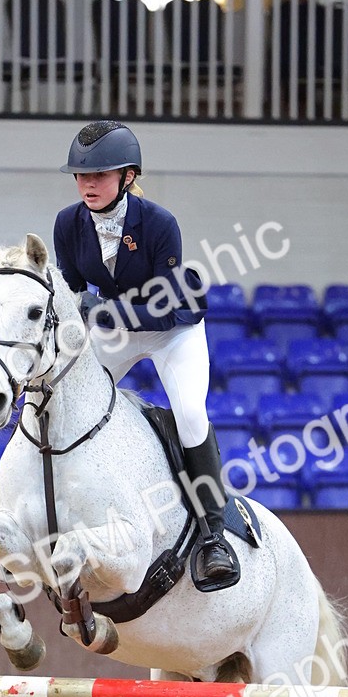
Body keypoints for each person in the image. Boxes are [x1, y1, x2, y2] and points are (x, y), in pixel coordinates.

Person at [53, 120, 239, 588]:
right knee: (71, 399)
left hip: (171, 330)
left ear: (128, 177)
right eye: (81, 176)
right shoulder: (68, 224)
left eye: (99, 175)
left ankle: (214, 536)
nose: (87, 185)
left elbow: (162, 311)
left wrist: (102, 310)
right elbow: (73, 297)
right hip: (116, 331)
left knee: (192, 414)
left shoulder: (159, 224)